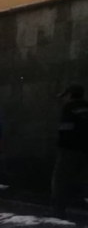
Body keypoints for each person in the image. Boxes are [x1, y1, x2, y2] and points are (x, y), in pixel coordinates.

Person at [51, 84, 88, 219]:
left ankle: (58, 211)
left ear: (70, 95)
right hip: (85, 150)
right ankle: (80, 202)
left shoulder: (69, 108)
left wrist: (61, 145)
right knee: (82, 179)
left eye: (65, 95)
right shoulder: (86, 107)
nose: (64, 98)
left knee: (61, 179)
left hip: (70, 150)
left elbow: (65, 130)